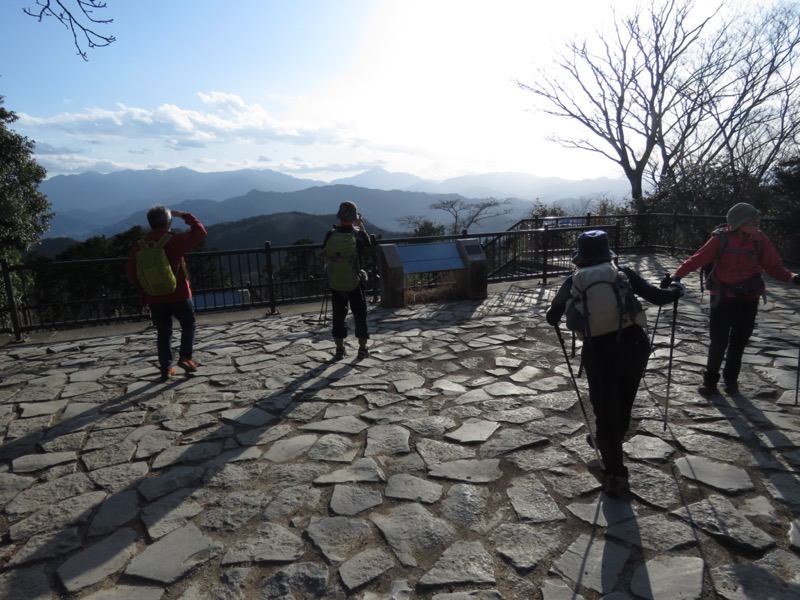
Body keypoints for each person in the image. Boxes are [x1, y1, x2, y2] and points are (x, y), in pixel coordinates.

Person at [546, 230, 684, 497]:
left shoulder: (573, 279)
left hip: (598, 351)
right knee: (624, 400)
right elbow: (657, 296)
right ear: (608, 252)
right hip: (633, 346)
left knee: (605, 409)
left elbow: (553, 316)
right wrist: (677, 289)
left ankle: (615, 474)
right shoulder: (623, 273)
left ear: (580, 255)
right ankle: (611, 443)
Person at [663, 202, 799, 395]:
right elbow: (698, 259)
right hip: (722, 297)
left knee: (739, 340)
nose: (757, 223)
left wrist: (792, 278)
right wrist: (676, 276)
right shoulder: (721, 239)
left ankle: (730, 380)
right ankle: (710, 380)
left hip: (749, 297)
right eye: (753, 220)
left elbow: (774, 267)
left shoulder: (760, 240)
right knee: (718, 341)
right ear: (740, 223)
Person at [126, 205, 207, 380]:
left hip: (154, 297)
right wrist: (185, 215)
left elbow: (131, 274)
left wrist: (150, 286)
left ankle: (166, 368)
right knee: (188, 324)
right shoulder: (173, 240)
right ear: (168, 222)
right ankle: (185, 357)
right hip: (179, 293)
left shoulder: (139, 246)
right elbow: (200, 232)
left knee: (164, 332)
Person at [322, 200, 372, 359]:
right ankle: (362, 348)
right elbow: (368, 248)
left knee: (338, 314)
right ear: (354, 216)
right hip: (355, 281)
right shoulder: (358, 234)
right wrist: (361, 224)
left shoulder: (331, 234)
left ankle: (339, 348)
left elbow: (325, 253)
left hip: (336, 281)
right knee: (359, 313)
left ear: (339, 215)